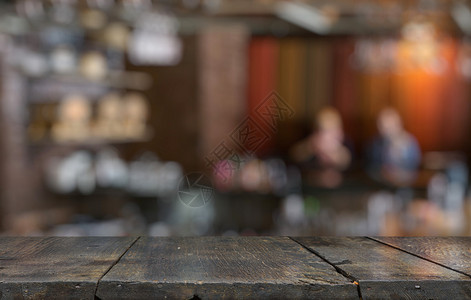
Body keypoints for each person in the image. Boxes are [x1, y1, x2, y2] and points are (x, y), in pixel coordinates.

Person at [290, 107, 351, 188]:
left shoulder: (346, 145)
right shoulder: (311, 143)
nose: (325, 135)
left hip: (338, 189)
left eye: (330, 131)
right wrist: (311, 146)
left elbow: (346, 160)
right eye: (322, 130)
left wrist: (329, 152)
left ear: (339, 133)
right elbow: (294, 155)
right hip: (313, 186)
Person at [368, 107, 421, 186]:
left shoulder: (410, 142)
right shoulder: (376, 144)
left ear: (398, 124)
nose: (386, 130)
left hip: (406, 185)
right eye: (383, 126)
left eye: (390, 126)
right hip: (382, 185)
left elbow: (415, 166)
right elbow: (372, 167)